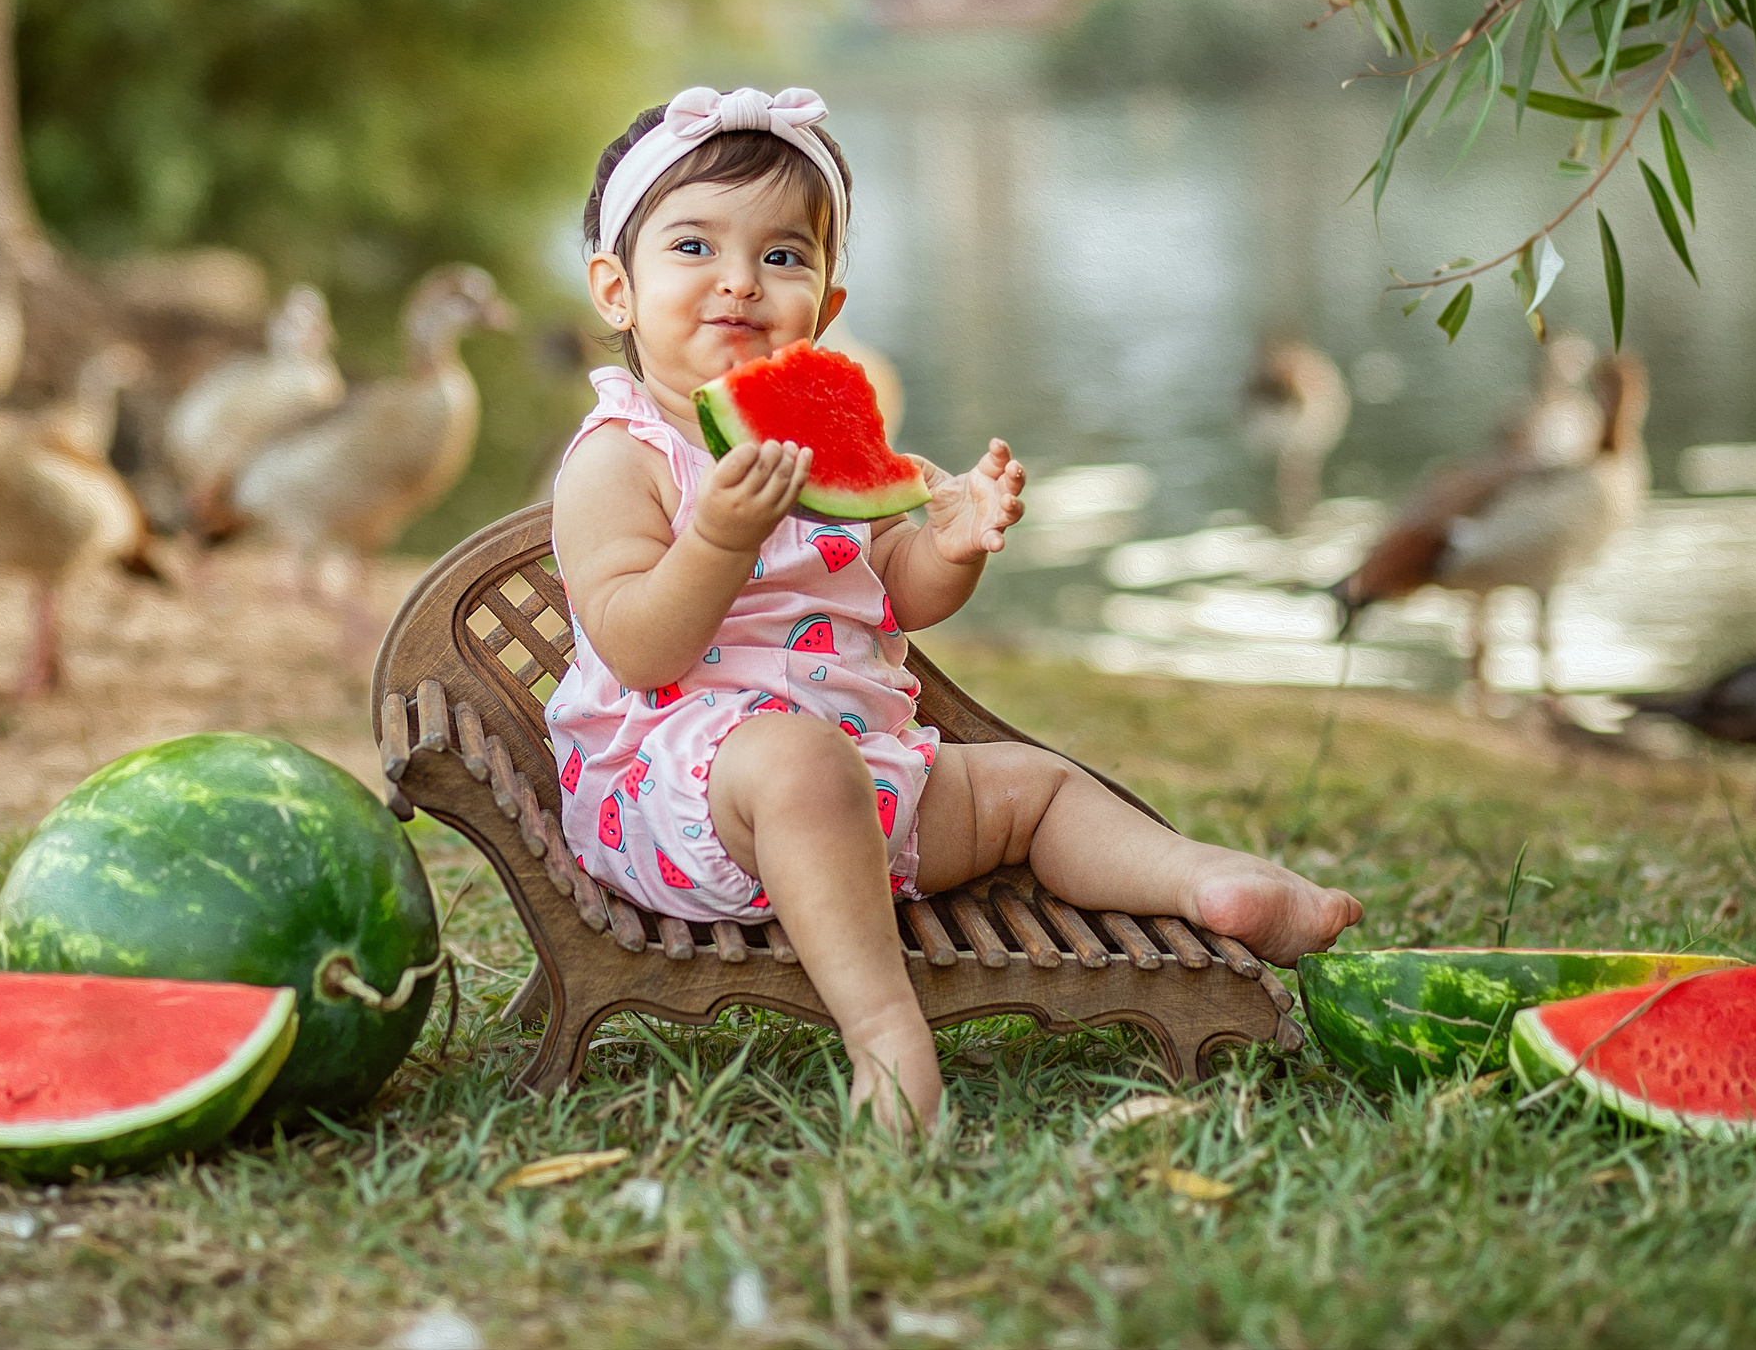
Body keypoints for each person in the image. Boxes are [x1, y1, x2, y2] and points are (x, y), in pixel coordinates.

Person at [545, 86, 1363, 1139]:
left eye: (784, 258)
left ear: (829, 306)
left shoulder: (833, 442)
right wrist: (718, 538)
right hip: (679, 799)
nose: (740, 282)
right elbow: (639, 646)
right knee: (796, 762)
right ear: (616, 288)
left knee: (1034, 789)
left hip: (875, 783)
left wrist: (952, 541)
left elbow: (902, 587)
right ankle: (887, 1040)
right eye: (695, 246)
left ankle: (1212, 886)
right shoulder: (620, 457)